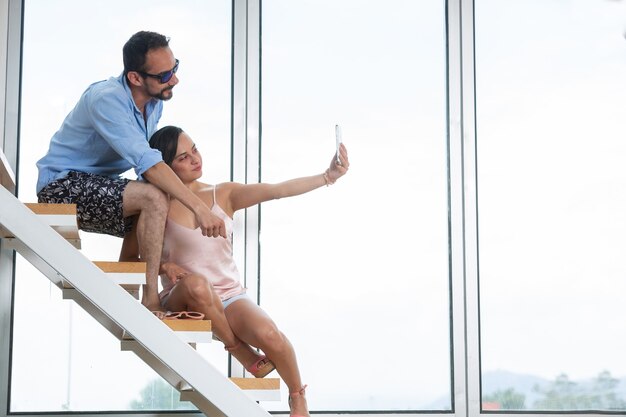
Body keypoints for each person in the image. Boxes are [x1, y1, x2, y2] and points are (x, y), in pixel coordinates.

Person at [143, 125, 349, 417]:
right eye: (183, 158)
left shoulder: (222, 194)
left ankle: (297, 397)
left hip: (228, 298)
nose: (195, 159)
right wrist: (164, 265)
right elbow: (133, 256)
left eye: (195, 150)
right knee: (198, 285)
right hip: (183, 299)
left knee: (270, 334)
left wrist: (328, 177)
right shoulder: (156, 204)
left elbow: (277, 191)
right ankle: (237, 347)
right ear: (166, 167)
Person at [35, 31, 225, 314]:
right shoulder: (107, 100)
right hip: (61, 187)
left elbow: (149, 172)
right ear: (135, 78)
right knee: (152, 197)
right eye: (163, 76)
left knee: (161, 199)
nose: (174, 80)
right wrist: (199, 207)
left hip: (98, 185)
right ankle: (150, 300)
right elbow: (147, 162)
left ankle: (130, 282)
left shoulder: (154, 102)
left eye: (174, 68)